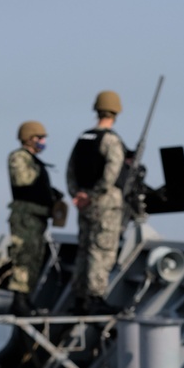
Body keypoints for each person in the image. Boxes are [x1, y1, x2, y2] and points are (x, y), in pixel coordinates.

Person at [66, 90, 127, 313]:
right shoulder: (111, 141)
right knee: (101, 249)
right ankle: (95, 297)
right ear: (116, 111)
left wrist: (78, 194)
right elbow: (112, 173)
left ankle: (80, 298)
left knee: (84, 248)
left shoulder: (83, 138)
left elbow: (70, 170)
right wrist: (94, 194)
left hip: (84, 204)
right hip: (105, 204)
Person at [7, 121, 64, 315]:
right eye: (39, 138)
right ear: (29, 139)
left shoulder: (34, 160)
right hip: (26, 216)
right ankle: (18, 300)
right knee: (24, 256)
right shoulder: (19, 157)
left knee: (35, 258)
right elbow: (23, 180)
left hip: (38, 216)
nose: (43, 142)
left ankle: (26, 298)